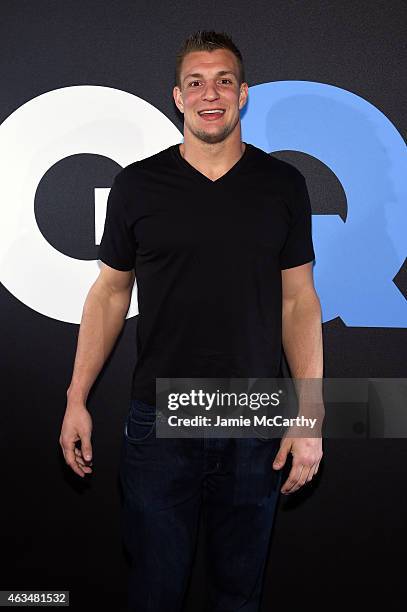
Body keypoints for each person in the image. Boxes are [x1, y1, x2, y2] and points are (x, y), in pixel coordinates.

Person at [59, 30, 323, 612]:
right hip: (160, 420)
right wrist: (77, 396)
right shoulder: (136, 186)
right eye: (196, 82)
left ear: (243, 94)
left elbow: (299, 302)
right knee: (154, 593)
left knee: (238, 598)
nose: (211, 94)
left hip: (252, 418)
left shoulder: (282, 186)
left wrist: (308, 413)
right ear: (177, 98)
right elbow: (108, 295)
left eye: (223, 81)